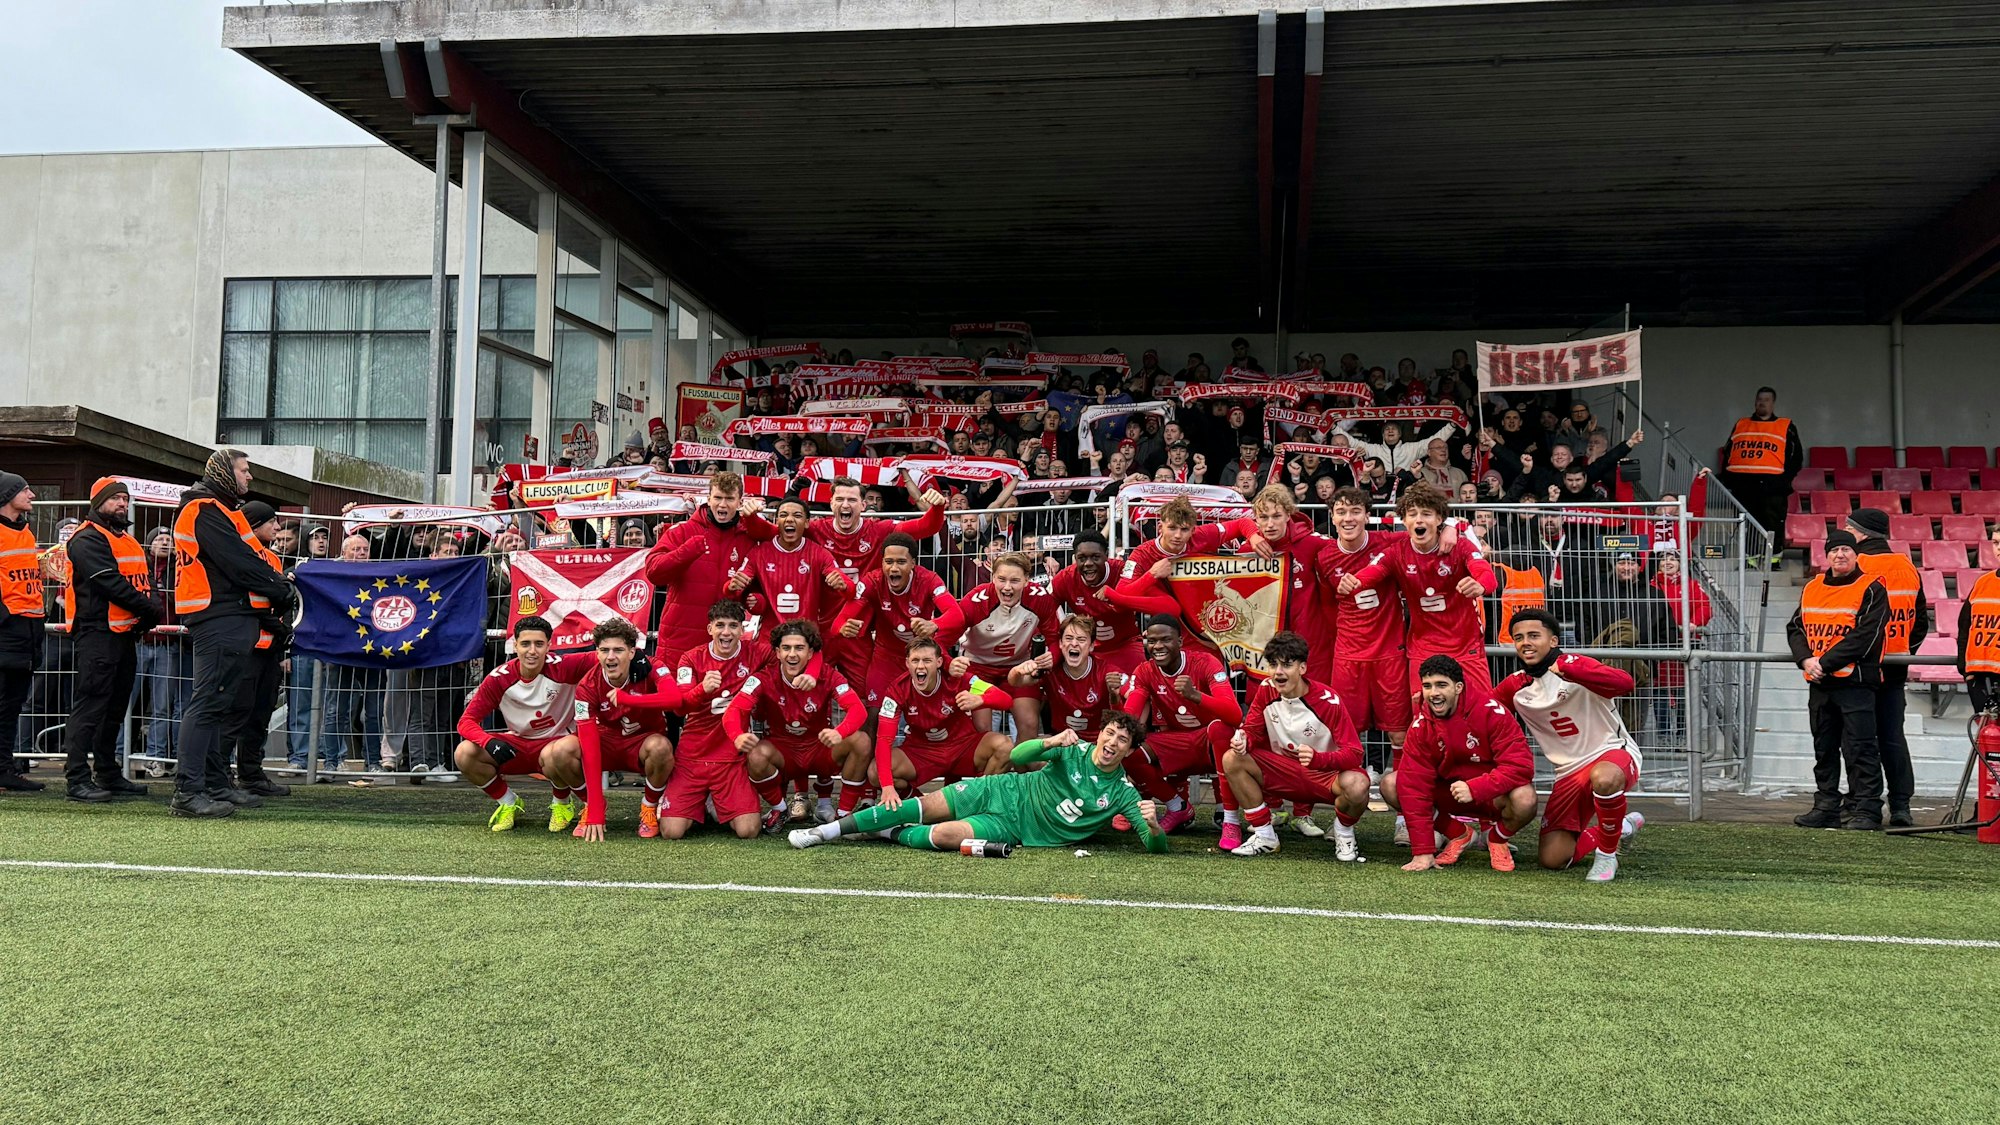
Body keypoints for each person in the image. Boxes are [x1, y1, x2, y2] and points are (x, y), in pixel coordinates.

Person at [790, 719, 1166, 855]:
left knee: (944, 835)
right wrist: (1050, 742)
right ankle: (823, 832)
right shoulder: (1072, 749)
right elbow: (1018, 755)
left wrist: (1153, 826)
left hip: (1014, 829)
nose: (1112, 743)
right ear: (1100, 734)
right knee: (921, 807)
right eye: (1110, 733)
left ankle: (888, 832)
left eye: (1122, 741)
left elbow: (1154, 847)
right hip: (1000, 791)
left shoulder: (1123, 793)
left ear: (1130, 751)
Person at [169, 449, 296, 818]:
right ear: (225, 472)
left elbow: (247, 560)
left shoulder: (218, 509)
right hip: (218, 614)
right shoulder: (204, 508)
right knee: (209, 704)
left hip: (229, 614)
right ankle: (189, 790)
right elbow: (238, 562)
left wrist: (273, 586)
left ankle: (214, 783)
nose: (249, 477)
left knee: (218, 705)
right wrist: (279, 589)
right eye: (245, 470)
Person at [1494, 608, 1646, 881]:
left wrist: (1571, 669)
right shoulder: (1515, 686)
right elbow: (1483, 714)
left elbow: (1625, 683)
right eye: (1518, 637)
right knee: (1553, 859)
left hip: (1611, 754)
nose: (1525, 642)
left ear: (1553, 641)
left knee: (1604, 778)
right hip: (1567, 773)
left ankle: (1606, 857)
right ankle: (1619, 827)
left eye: (1533, 635)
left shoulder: (1576, 663)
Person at [1220, 632, 1370, 859]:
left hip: (1324, 776)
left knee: (1358, 784)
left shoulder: (1328, 701)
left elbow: (1355, 754)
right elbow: (1251, 730)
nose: (1278, 672)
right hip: (1282, 771)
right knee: (1232, 757)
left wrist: (1319, 759)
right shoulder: (1266, 689)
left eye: (1287, 665)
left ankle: (1343, 831)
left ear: (1302, 668)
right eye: (1273, 665)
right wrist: (1244, 741)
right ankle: (1265, 835)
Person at [1383, 655, 1537, 873]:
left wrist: (1476, 788)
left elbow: (1520, 767)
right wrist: (1423, 852)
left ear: (1458, 687)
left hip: (1492, 796)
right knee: (1392, 784)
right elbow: (1413, 786)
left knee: (1526, 798)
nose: (1433, 693)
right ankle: (1460, 834)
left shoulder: (1493, 713)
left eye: (1441, 685)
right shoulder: (1420, 726)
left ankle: (1496, 838)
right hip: (1450, 794)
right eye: (1427, 686)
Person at [59, 476, 162, 801]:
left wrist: (150, 608)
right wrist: (151, 610)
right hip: (96, 633)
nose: (122, 504)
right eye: (115, 498)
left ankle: (107, 772)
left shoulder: (126, 540)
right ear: (98, 503)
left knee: (115, 708)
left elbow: (143, 581)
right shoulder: (86, 538)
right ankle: (76, 778)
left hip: (124, 633)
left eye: (125, 499)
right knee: (90, 706)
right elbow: (110, 583)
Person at [1346, 482, 1497, 697]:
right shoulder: (1397, 552)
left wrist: (1480, 584)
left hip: (1465, 646)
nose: (1419, 519)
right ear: (1404, 520)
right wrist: (1355, 582)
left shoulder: (1459, 546)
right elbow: (1372, 572)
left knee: (1480, 711)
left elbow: (1486, 575)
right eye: (1412, 514)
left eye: (1426, 514)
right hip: (1423, 648)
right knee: (1424, 714)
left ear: (1438, 520)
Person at [1785, 529, 1889, 831]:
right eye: (1834, 550)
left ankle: (1867, 809)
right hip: (1820, 683)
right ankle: (1826, 806)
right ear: (1826, 555)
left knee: (1861, 749)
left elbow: (1866, 636)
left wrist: (1823, 663)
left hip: (1855, 683)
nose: (1839, 555)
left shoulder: (1871, 587)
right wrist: (1806, 659)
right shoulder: (1812, 587)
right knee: (1824, 748)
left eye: (1845, 549)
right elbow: (1795, 628)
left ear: (1856, 554)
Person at [453, 614, 593, 833]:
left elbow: (609, 654)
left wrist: (645, 661)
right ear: (514, 645)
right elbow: (466, 722)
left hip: (560, 746)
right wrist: (488, 742)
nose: (532, 651)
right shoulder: (499, 678)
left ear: (549, 645)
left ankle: (565, 804)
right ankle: (509, 803)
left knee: (558, 752)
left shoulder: (564, 666)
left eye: (539, 644)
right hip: (519, 744)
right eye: (525, 644)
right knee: (464, 753)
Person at [807, 476, 948, 686]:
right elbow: (778, 533)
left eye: (852, 500)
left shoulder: (879, 530)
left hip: (859, 632)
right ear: (832, 503)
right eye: (840, 499)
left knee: (864, 694)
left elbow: (925, 527)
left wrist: (937, 508)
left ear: (863, 505)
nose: (846, 505)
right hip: (822, 628)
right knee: (813, 689)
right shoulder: (815, 530)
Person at [550, 617, 679, 841]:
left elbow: (675, 700)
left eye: (618, 650)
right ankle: (591, 804)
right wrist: (597, 810)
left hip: (642, 742)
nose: (611, 656)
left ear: (631, 652)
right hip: (605, 744)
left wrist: (630, 699)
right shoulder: (586, 687)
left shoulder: (652, 666)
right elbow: (589, 748)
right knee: (560, 751)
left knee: (660, 747)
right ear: (597, 653)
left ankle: (648, 806)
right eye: (605, 650)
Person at [1121, 615, 1241, 843]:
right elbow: (1131, 716)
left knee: (1220, 730)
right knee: (1129, 750)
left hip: (1210, 741)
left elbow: (1235, 714)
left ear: (1180, 641)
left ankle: (1231, 820)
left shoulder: (1205, 662)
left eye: (1165, 639)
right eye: (1152, 640)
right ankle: (1178, 808)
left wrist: (1196, 696)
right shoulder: (1145, 671)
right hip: (1176, 742)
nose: (1157, 646)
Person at [1843, 507, 1927, 828]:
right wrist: (1903, 650)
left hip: (1860, 666)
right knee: (1892, 735)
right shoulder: (1906, 566)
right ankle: (1901, 805)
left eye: (1849, 529)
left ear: (1861, 533)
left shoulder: (1855, 565)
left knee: (1859, 738)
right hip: (1895, 664)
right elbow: (1920, 622)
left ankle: (1863, 803)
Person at [646, 471, 778, 665]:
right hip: (680, 638)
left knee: (720, 695)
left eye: (729, 499)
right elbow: (654, 573)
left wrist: (755, 600)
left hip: (724, 641)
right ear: (708, 499)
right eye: (717, 498)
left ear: (740, 502)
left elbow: (756, 591)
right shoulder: (683, 531)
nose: (722, 505)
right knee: (678, 694)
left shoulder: (748, 539)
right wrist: (687, 551)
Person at [832, 532, 965, 708]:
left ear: (913, 563)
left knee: (925, 715)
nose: (894, 568)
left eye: (901, 562)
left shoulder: (928, 579)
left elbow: (957, 616)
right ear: (882, 563)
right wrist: (843, 628)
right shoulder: (873, 581)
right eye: (889, 562)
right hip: (885, 658)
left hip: (920, 657)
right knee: (874, 714)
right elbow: (838, 624)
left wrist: (933, 624)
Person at [869, 637, 1015, 792]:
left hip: (962, 746)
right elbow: (884, 739)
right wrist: (887, 787)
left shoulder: (959, 680)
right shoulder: (896, 690)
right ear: (907, 663)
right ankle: (920, 804)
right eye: (915, 660)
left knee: (1004, 747)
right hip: (922, 752)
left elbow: (1006, 701)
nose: (920, 666)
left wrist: (980, 699)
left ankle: (979, 800)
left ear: (939, 662)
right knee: (875, 772)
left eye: (927, 660)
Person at [224, 501, 294, 798]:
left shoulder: (272, 558)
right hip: (246, 647)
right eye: (272, 522)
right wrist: (275, 622)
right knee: (234, 714)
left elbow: (276, 600)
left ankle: (251, 773)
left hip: (268, 649)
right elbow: (248, 598)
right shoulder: (241, 555)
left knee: (261, 714)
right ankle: (221, 774)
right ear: (253, 525)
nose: (277, 528)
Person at [951, 551, 1061, 739]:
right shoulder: (975, 601)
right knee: (982, 730)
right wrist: (949, 663)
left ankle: (1023, 767)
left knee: (1029, 723)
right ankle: (990, 767)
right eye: (1001, 579)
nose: (1007, 587)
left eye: (1015, 581)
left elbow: (1053, 639)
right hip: (978, 667)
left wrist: (1052, 656)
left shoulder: (1039, 598)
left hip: (1019, 668)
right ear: (993, 578)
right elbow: (945, 634)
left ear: (1027, 580)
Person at [1009, 614, 1126, 745]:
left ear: (1092, 646)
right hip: (1061, 743)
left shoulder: (1106, 670)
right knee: (1027, 751)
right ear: (1060, 643)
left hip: (1096, 746)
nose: (1074, 644)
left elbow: (1132, 694)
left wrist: (1116, 695)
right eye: (1069, 638)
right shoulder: (1051, 669)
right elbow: (1017, 682)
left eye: (1081, 640)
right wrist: (1017, 671)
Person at [0, 472, 48, 791]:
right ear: (6, 496)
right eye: (24, 489)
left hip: (27, 632)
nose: (31, 495)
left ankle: (4, 769)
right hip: (7, 631)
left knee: (12, 706)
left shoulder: (26, 532)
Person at [1719, 386, 1802, 568]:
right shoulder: (1741, 424)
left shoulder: (1786, 426)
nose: (1761, 402)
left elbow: (1796, 458)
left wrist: (1783, 481)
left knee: (1773, 524)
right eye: (1759, 399)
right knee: (1747, 525)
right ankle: (1750, 560)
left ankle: (1773, 560)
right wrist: (1729, 480)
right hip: (1744, 487)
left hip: (1773, 488)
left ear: (1773, 403)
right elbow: (1728, 454)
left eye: (1766, 399)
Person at [1048, 532, 1144, 674]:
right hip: (1086, 648)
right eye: (1082, 558)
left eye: (1095, 557)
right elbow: (1044, 607)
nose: (1088, 563)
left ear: (1106, 555)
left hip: (1126, 644)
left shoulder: (1122, 571)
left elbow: (1150, 597)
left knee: (1137, 683)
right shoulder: (1065, 578)